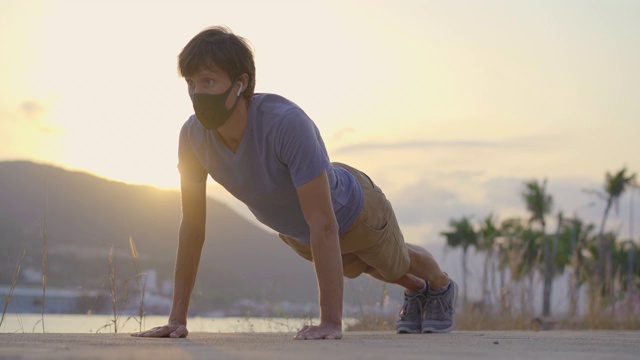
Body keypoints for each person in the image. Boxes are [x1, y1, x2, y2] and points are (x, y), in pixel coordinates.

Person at [131, 25, 457, 340]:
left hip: (355, 210)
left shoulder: (285, 124)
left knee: (396, 262)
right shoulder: (192, 138)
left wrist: (330, 322)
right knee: (366, 268)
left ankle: (440, 286)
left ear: (240, 84)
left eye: (208, 81)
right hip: (301, 234)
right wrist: (176, 320)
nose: (197, 94)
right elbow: (192, 228)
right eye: (191, 83)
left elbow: (323, 222)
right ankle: (417, 291)